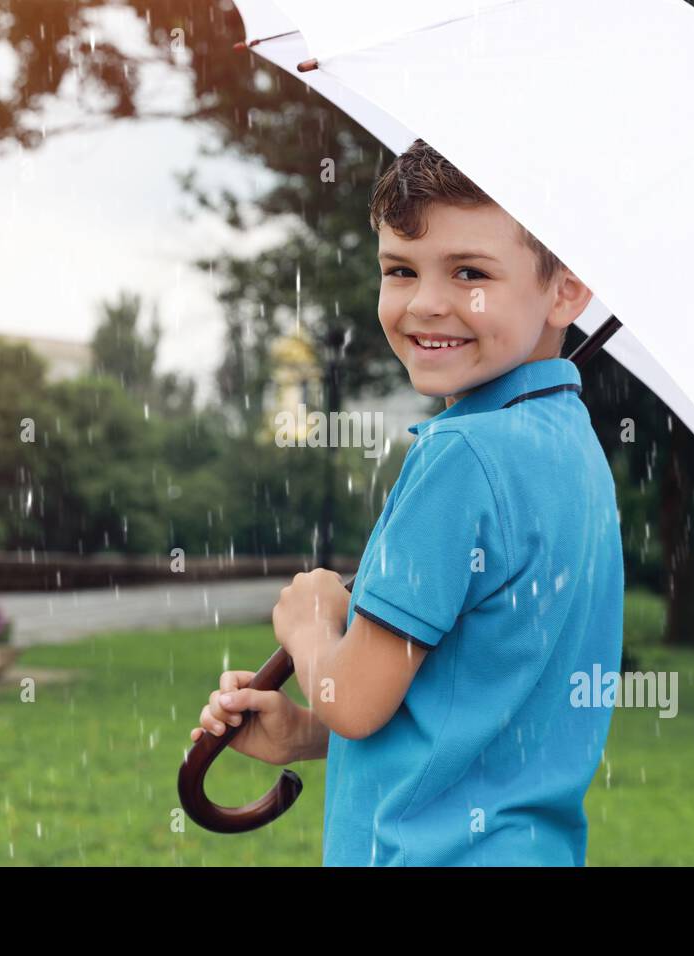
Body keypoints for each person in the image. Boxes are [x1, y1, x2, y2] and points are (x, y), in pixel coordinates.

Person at [190, 138, 625, 866]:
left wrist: (312, 623)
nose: (426, 303)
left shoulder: (461, 458)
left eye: (470, 272)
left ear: (567, 289)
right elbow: (476, 703)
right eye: (400, 270)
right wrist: (305, 731)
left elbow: (355, 697)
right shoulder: (572, 450)